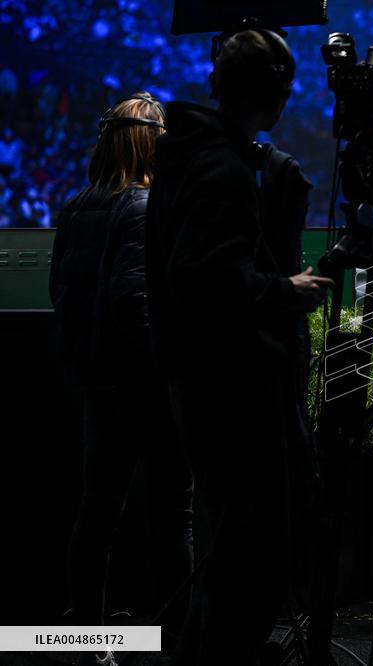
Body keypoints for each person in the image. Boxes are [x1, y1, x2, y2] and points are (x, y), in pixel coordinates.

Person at [144, 30, 333, 665]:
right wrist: (285, 290)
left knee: (229, 549)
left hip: (199, 381)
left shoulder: (189, 157)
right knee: (252, 556)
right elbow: (202, 278)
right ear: (269, 90)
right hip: (229, 388)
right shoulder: (222, 169)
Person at [49, 92, 193, 666]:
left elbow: (61, 293)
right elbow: (136, 305)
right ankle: (180, 641)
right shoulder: (143, 207)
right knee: (172, 512)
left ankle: (87, 637)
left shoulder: (75, 206)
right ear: (151, 143)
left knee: (98, 510)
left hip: (99, 383)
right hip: (146, 387)